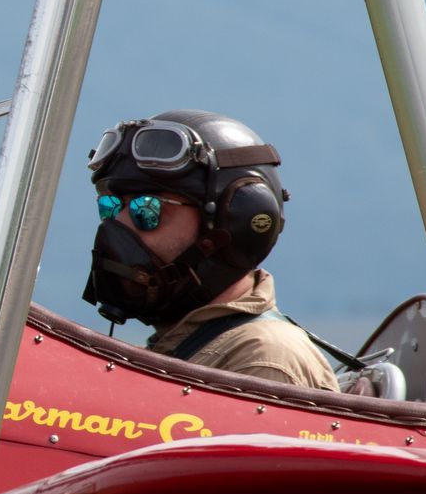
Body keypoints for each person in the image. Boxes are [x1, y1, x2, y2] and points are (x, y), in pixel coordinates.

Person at [83, 109, 339, 392]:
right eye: (110, 207)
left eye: (147, 209)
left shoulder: (261, 361)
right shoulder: (183, 348)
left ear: (233, 224)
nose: (118, 226)